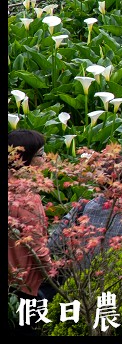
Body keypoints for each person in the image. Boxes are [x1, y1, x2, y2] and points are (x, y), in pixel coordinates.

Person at [8, 129, 56, 329]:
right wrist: (50, 271)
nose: (45, 158)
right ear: (25, 158)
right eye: (40, 154)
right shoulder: (26, 197)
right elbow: (35, 243)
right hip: (24, 281)